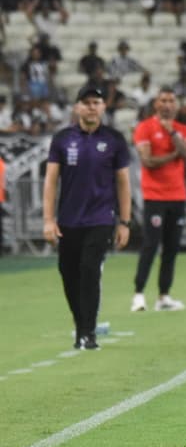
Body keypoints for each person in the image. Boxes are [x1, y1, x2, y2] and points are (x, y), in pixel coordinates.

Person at [42, 85, 132, 349]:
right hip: (68, 221)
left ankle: (88, 332)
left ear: (104, 107)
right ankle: (81, 325)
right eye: (87, 102)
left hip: (101, 219)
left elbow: (123, 182)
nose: (92, 106)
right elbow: (50, 181)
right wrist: (48, 220)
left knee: (90, 270)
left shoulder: (115, 139)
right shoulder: (62, 139)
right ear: (77, 107)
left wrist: (124, 222)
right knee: (68, 273)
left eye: (97, 102)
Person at [130, 86, 186, 313]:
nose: (167, 104)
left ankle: (163, 296)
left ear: (175, 105)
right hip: (154, 196)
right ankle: (138, 295)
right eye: (163, 100)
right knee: (150, 245)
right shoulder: (145, 127)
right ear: (156, 104)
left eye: (171, 100)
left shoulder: (182, 129)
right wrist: (173, 154)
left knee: (171, 248)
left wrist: (172, 135)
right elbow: (147, 161)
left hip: (177, 196)